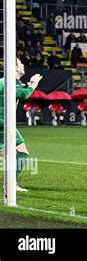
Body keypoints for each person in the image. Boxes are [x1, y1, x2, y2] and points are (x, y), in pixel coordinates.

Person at [0, 58, 43, 191]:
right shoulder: (9, 81)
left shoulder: (6, 81)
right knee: (20, 152)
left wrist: (29, 84)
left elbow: (20, 89)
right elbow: (23, 94)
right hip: (4, 123)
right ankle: (10, 184)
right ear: (14, 68)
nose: (23, 65)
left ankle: (10, 182)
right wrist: (33, 84)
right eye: (20, 63)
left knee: (13, 152)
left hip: (4, 122)